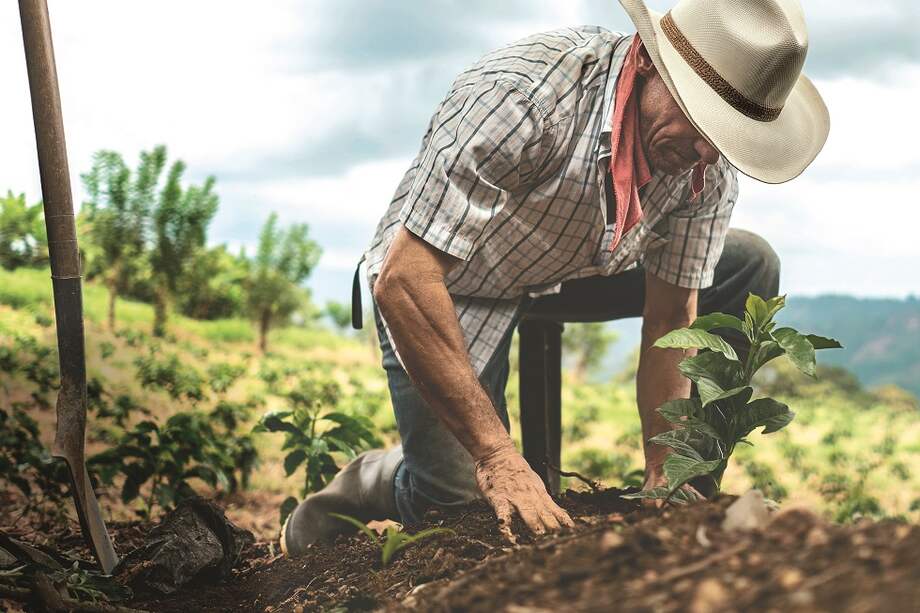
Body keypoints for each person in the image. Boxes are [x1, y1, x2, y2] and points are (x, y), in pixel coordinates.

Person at [281, 0, 829, 555]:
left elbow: (671, 317)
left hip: (576, 265)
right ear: (645, 63)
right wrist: (496, 455)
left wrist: (665, 471)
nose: (706, 151)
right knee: (457, 507)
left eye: (726, 134)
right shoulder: (521, 100)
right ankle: (381, 477)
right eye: (700, 119)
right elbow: (405, 278)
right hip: (451, 281)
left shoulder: (702, 165)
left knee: (749, 262)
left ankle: (691, 493)